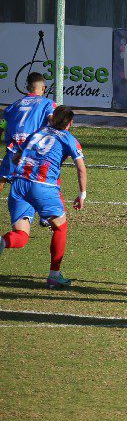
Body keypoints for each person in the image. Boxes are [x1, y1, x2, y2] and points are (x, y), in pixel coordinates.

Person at [0, 106, 86, 289]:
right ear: (70, 123)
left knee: (21, 236)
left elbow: (16, 159)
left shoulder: (38, 133)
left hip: (19, 184)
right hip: (42, 186)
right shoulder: (69, 139)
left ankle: (2, 242)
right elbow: (81, 168)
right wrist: (82, 194)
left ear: (53, 118)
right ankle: (54, 276)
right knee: (61, 228)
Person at [0, 72, 55, 197]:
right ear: (43, 88)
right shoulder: (48, 103)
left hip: (14, 149)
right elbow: (52, 120)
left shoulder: (14, 105)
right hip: (33, 151)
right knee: (34, 183)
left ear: (27, 88)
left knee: (2, 178)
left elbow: (2, 126)